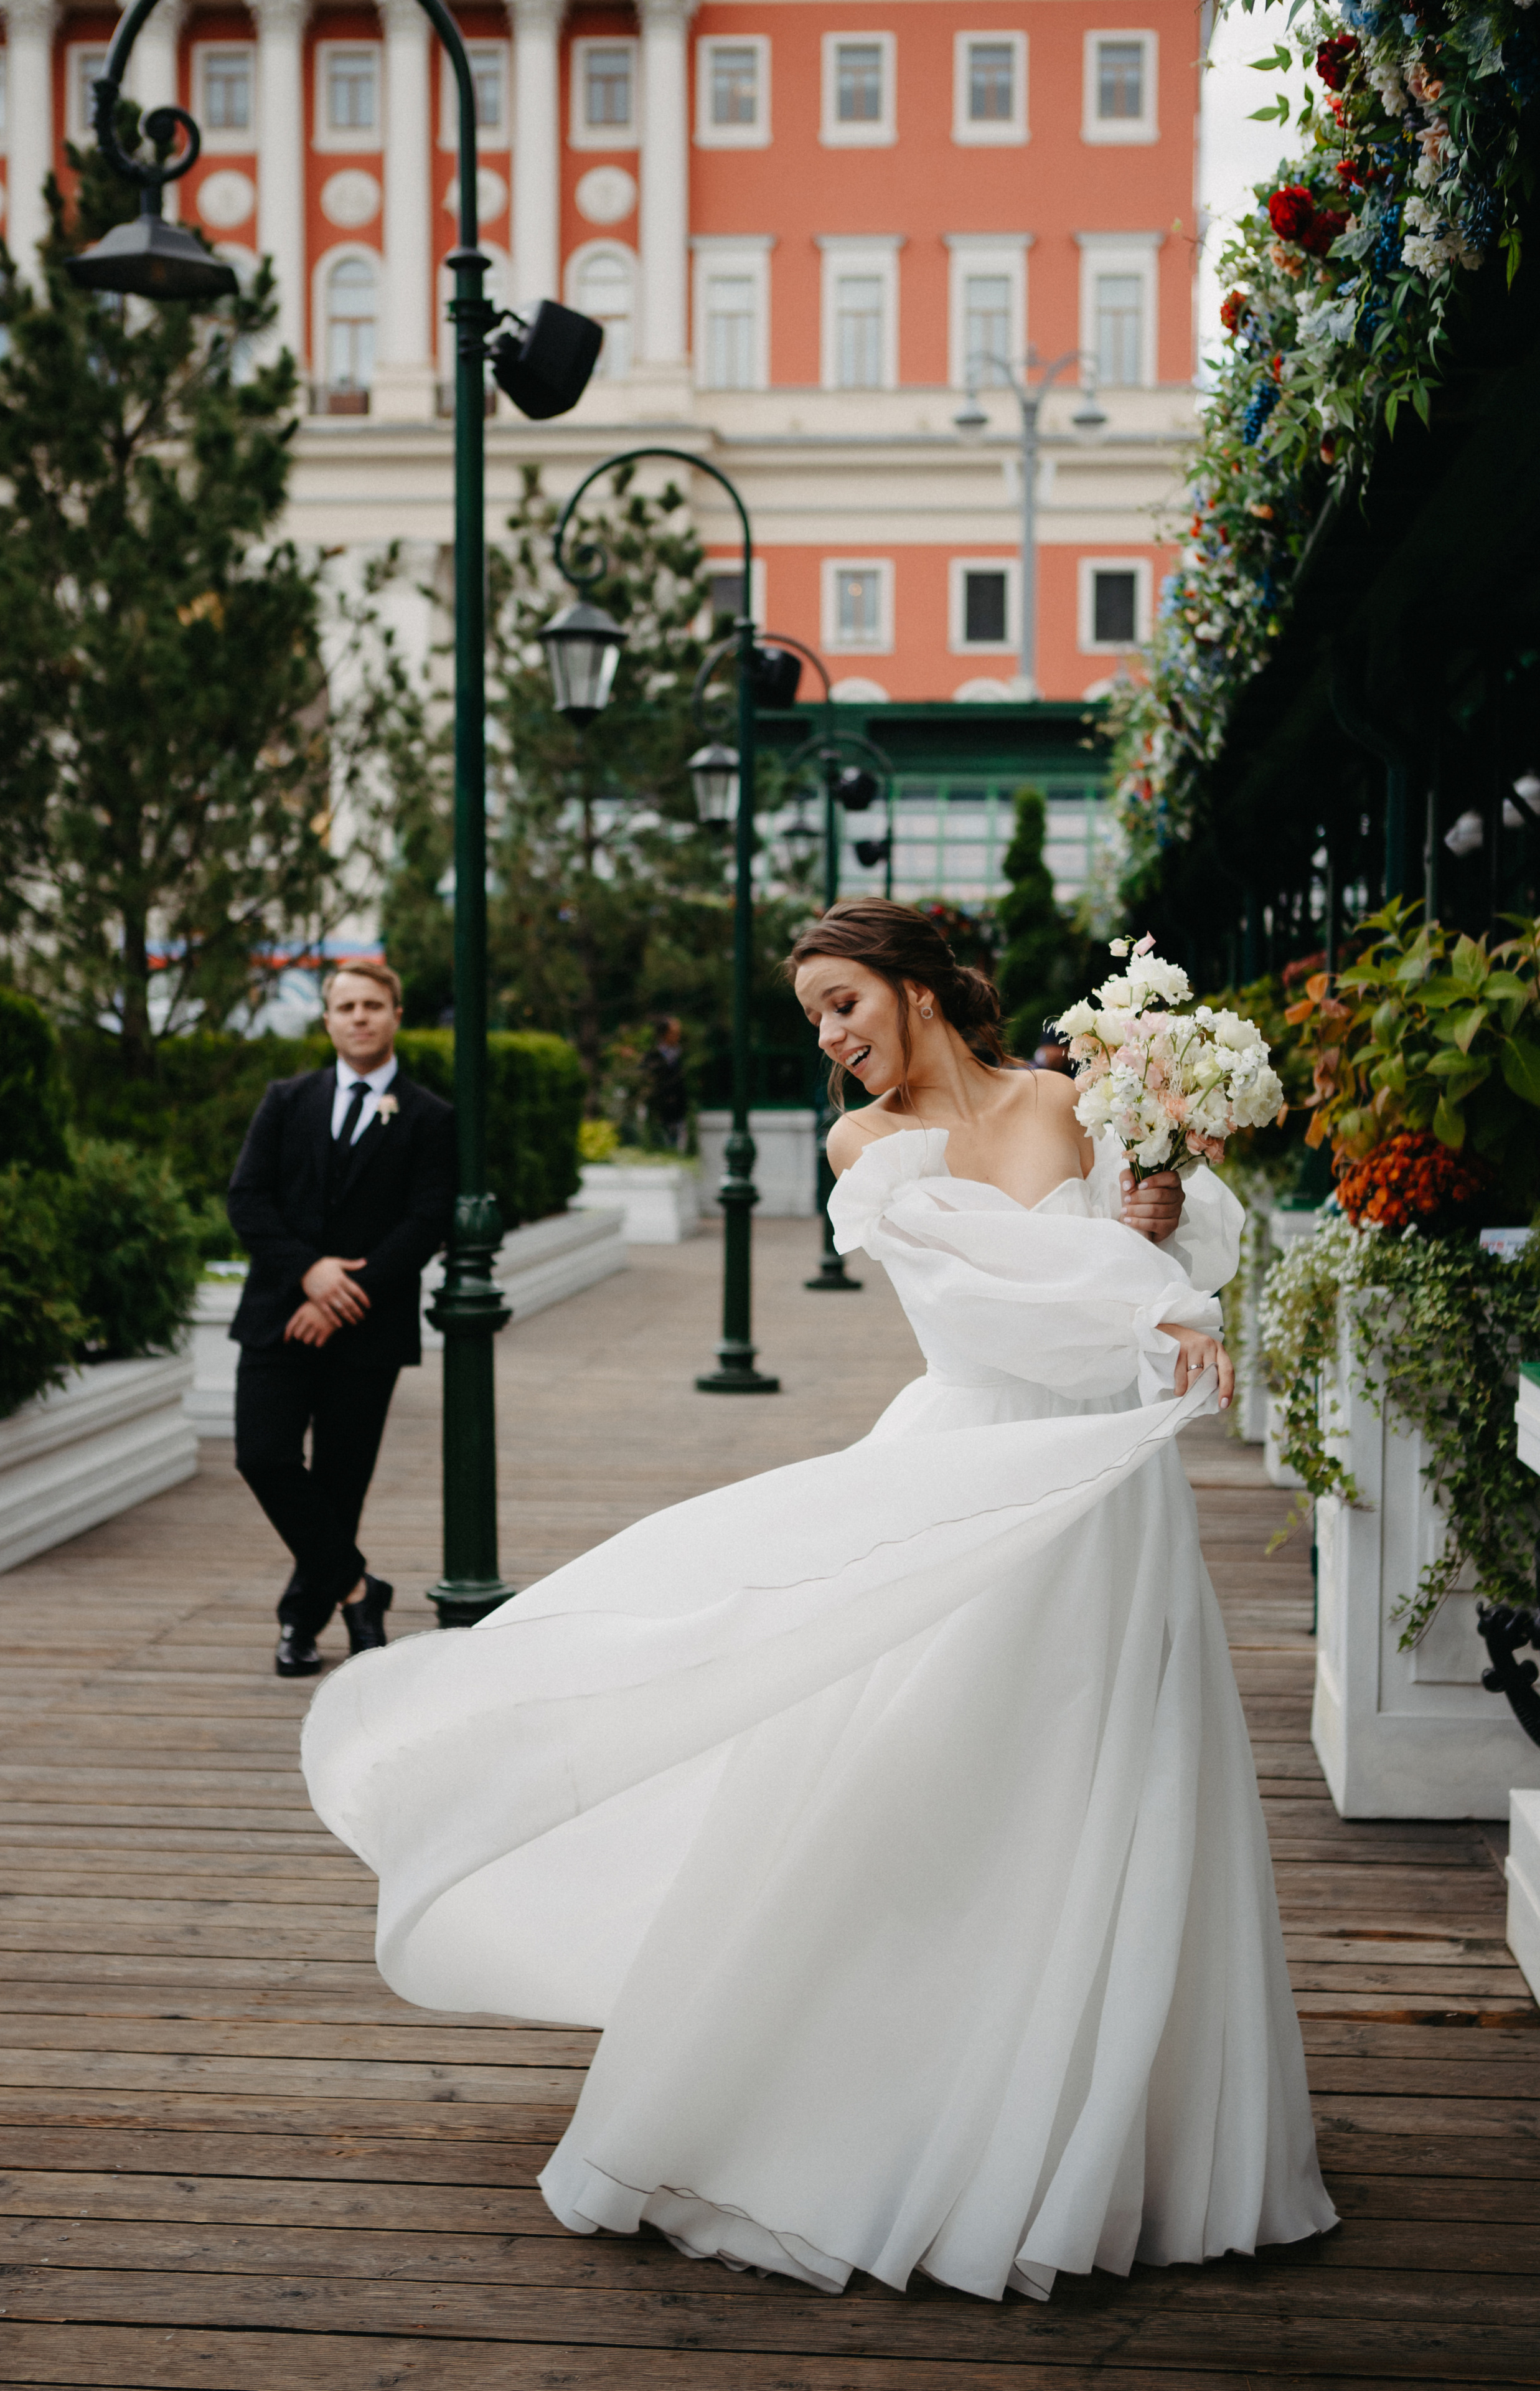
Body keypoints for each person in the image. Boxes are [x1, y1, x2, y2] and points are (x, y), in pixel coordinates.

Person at [301, 900, 1335, 2304]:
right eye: (814, 1019)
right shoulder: (869, 1154)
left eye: (845, 1002)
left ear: (917, 988)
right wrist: (1138, 1297)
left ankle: (1108, 2139)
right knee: (925, 1782)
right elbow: (994, 1310)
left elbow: (1170, 1268)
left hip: (1109, 1498)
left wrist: (1157, 1223)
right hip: (973, 1467)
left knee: (1123, 1786)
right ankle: (879, 2104)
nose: (833, 1038)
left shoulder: (1076, 1101)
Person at [228, 960, 455, 1679]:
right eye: (346, 1006)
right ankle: (360, 1589)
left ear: (395, 1015)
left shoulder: (429, 1117)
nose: (359, 1017)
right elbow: (248, 1200)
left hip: (369, 1327)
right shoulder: (286, 1101)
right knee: (262, 1456)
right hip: (276, 1315)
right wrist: (309, 1273)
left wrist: (345, 1295)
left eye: (373, 1005)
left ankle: (300, 1621)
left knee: (339, 1483)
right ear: (327, 1020)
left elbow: (425, 1222)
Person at [642, 1016, 688, 1150]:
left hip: (681, 1108)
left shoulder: (684, 1055)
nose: (678, 1036)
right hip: (660, 1108)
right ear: (663, 1034)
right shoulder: (652, 1056)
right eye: (674, 1032)